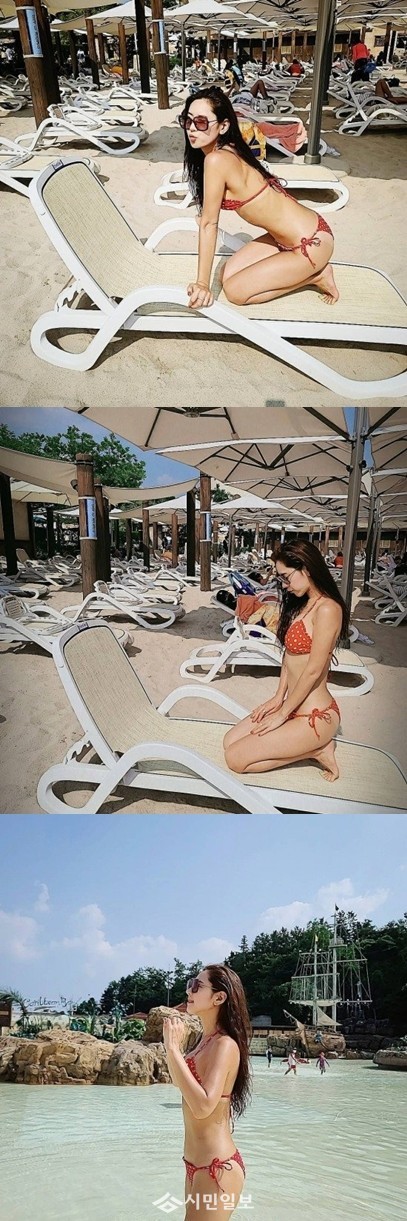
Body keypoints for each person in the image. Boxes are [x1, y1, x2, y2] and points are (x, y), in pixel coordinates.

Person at [179, 87, 339, 311]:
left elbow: (209, 224)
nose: (192, 128)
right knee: (226, 274)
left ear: (223, 126)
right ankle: (307, 270)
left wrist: (202, 284)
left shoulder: (216, 160)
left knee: (235, 291)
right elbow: (208, 216)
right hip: (288, 236)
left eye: (201, 122)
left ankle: (317, 276)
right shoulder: (228, 149)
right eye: (188, 121)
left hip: (310, 243)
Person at [223, 541, 349, 783]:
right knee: (229, 741)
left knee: (235, 759)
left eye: (286, 577)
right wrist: (278, 697)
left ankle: (317, 750)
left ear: (306, 568)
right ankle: (311, 746)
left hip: (314, 715)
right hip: (292, 705)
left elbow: (313, 671)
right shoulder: (302, 604)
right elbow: (289, 655)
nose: (284, 585)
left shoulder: (328, 609)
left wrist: (282, 714)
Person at [163, 965, 251, 1218]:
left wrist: (173, 1049)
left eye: (197, 986)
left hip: (217, 1167)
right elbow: (181, 1084)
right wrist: (172, 1048)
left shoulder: (225, 1045)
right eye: (190, 984)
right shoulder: (203, 1041)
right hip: (195, 1165)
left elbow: (203, 1107)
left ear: (219, 997)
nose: (189, 991)